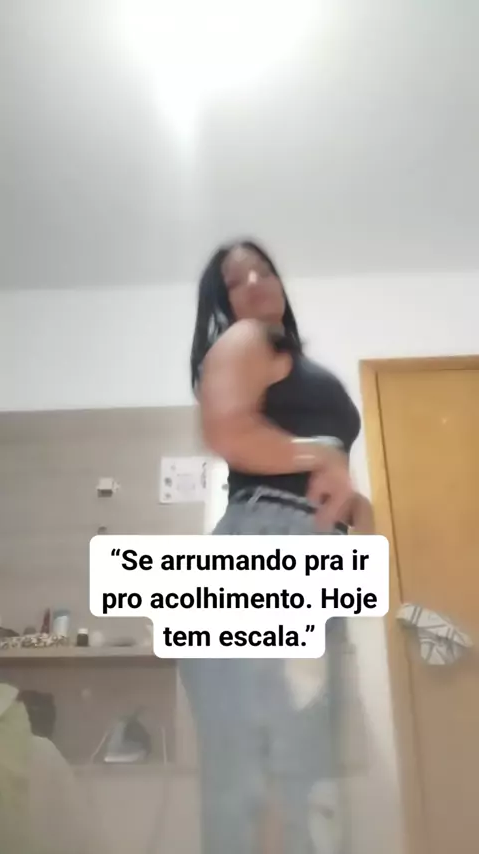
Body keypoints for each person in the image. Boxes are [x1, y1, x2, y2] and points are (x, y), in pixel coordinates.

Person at [181, 240, 373, 854]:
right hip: (265, 544)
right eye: (237, 279)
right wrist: (319, 454)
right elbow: (226, 428)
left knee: (297, 781)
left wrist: (354, 510)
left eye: (264, 270)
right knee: (268, 785)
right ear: (223, 303)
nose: (257, 282)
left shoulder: (293, 362)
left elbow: (326, 480)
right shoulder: (244, 340)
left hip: (303, 554)